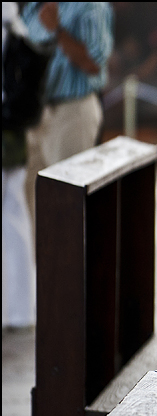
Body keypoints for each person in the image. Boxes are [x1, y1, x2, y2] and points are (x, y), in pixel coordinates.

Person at [21, 2, 113, 230]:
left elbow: (94, 62)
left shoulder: (90, 6)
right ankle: (34, 265)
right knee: (27, 202)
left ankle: (70, 265)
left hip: (73, 112)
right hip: (36, 114)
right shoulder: (33, 7)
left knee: (68, 200)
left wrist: (57, 30)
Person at [2, 1, 36, 329]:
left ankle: (15, 310)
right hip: (13, 135)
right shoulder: (17, 28)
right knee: (14, 217)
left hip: (6, 134)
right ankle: (20, 309)